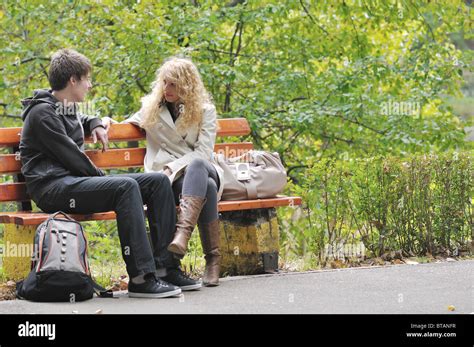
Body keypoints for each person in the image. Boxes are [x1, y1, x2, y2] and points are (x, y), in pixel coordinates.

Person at [19, 49, 201, 298]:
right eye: (86, 79)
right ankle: (141, 277)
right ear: (73, 80)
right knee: (124, 187)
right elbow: (71, 157)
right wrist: (107, 180)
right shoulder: (41, 113)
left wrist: (94, 121)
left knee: (158, 182)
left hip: (73, 182)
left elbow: (80, 118)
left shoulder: (63, 106)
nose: (89, 84)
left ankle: (165, 268)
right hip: (52, 188)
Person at [103, 57, 223, 286]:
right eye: (165, 83)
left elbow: (204, 153)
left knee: (199, 168)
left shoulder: (205, 110)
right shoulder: (152, 109)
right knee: (206, 187)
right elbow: (124, 124)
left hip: (201, 168)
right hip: (177, 181)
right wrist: (105, 121)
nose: (167, 89)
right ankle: (213, 260)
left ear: (187, 86)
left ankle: (182, 236)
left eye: (174, 84)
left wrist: (173, 166)